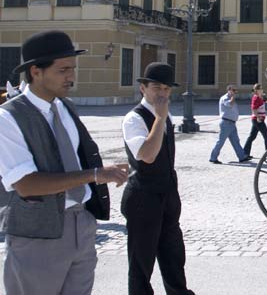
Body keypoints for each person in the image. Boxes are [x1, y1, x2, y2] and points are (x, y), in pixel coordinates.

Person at [0, 30, 128, 295]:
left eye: (72, 69)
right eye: (63, 70)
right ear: (36, 71)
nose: (71, 76)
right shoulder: (7, 118)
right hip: (37, 235)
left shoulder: (65, 107)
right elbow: (26, 185)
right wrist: (95, 174)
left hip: (81, 225)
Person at [121, 62, 194, 295]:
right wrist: (159, 119)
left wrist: (162, 117)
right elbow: (147, 155)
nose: (162, 94)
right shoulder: (134, 119)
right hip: (143, 198)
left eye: (166, 89)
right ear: (143, 88)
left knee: (174, 257)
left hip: (167, 195)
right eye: (156, 88)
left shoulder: (165, 115)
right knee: (141, 264)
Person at [209, 85, 252, 164]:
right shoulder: (225, 98)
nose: (235, 92)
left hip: (231, 123)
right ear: (229, 90)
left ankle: (242, 157)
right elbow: (229, 104)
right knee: (221, 141)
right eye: (233, 90)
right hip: (226, 123)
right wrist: (232, 97)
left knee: (236, 141)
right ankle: (213, 158)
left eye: (235, 90)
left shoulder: (231, 98)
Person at [243, 83, 267, 157]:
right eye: (260, 89)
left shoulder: (260, 97)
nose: (262, 90)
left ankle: (245, 153)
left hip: (257, 120)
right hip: (258, 120)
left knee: (252, 137)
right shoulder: (256, 98)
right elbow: (253, 109)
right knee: (266, 136)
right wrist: (258, 117)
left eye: (262, 88)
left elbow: (265, 103)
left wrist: (265, 98)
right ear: (257, 90)